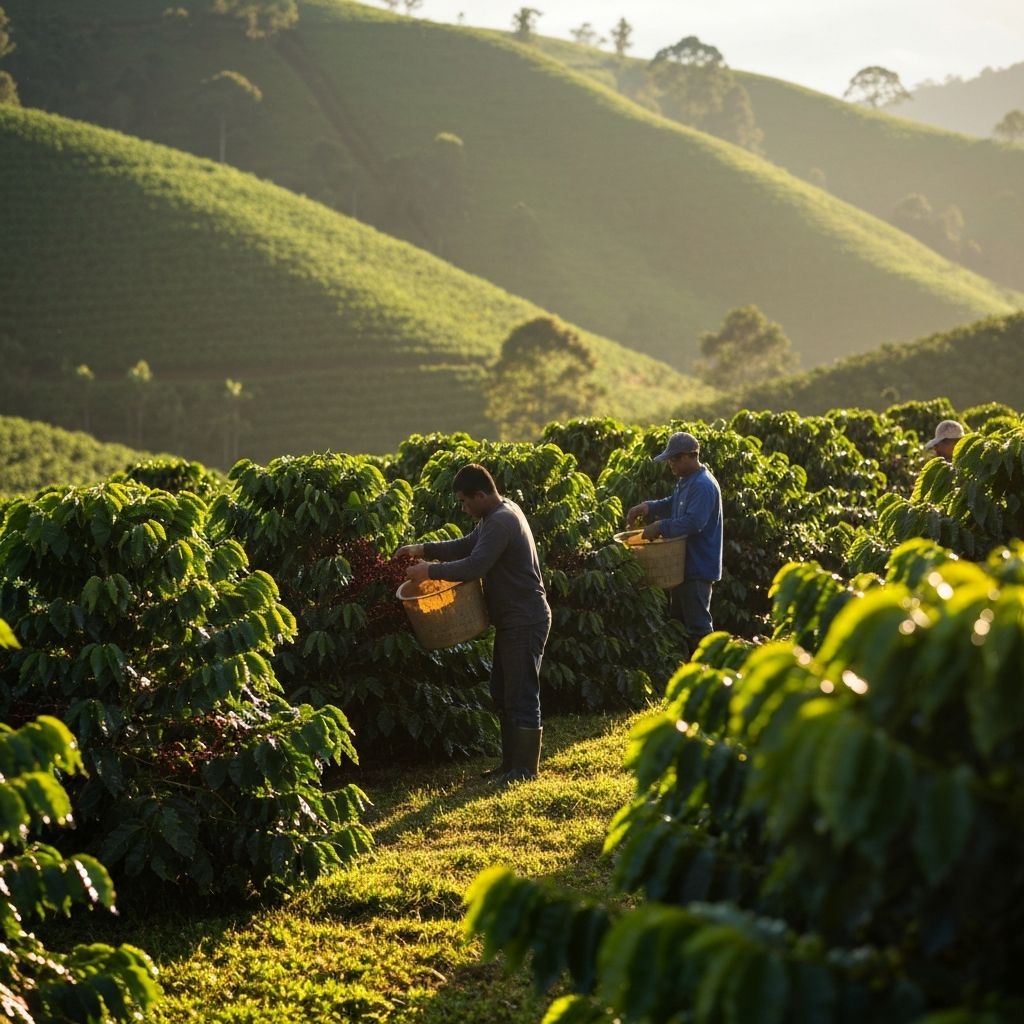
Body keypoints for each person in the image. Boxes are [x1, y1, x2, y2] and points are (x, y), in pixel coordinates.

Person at [396, 463, 550, 785]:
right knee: (502, 690)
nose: (464, 509)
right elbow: (466, 545)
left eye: (465, 502)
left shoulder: (502, 520)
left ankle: (525, 770)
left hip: (525, 617)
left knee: (521, 692)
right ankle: (510, 765)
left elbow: (474, 565)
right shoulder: (493, 516)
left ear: (480, 494)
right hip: (512, 619)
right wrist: (423, 549)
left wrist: (429, 571)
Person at [625, 431, 723, 655]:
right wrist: (648, 506)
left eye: (675, 459)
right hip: (682, 566)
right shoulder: (687, 482)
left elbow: (694, 522)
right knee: (677, 624)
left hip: (697, 568)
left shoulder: (703, 485)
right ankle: (685, 672)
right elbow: (673, 502)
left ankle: (711, 673)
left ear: (690, 456)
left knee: (699, 628)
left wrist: (660, 527)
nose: (671, 464)